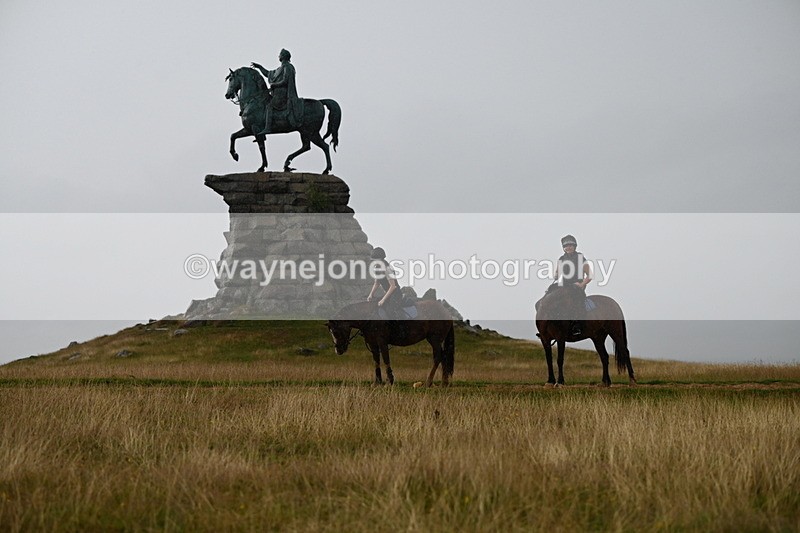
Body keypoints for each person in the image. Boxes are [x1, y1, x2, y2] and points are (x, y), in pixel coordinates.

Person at [251, 48, 303, 135]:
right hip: (277, 94)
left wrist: (274, 85)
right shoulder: (280, 68)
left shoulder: (288, 67)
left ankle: (267, 128)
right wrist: (259, 67)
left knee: (269, 106)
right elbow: (268, 74)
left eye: (280, 54)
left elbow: (285, 80)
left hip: (284, 94)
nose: (278, 56)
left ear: (283, 56)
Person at [552, 234, 592, 336]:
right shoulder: (561, 259)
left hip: (576, 286)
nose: (568, 247)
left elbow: (590, 275)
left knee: (575, 303)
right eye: (566, 246)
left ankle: (577, 326)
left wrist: (582, 284)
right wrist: (556, 275)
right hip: (563, 286)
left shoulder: (580, 257)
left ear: (574, 246)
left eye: (570, 245)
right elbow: (556, 273)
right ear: (563, 248)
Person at [367, 247, 405, 320]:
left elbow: (393, 286)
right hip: (388, 294)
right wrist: (371, 294)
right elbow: (377, 283)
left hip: (395, 294)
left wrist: (383, 300)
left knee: (390, 311)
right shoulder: (377, 269)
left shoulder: (388, 269)